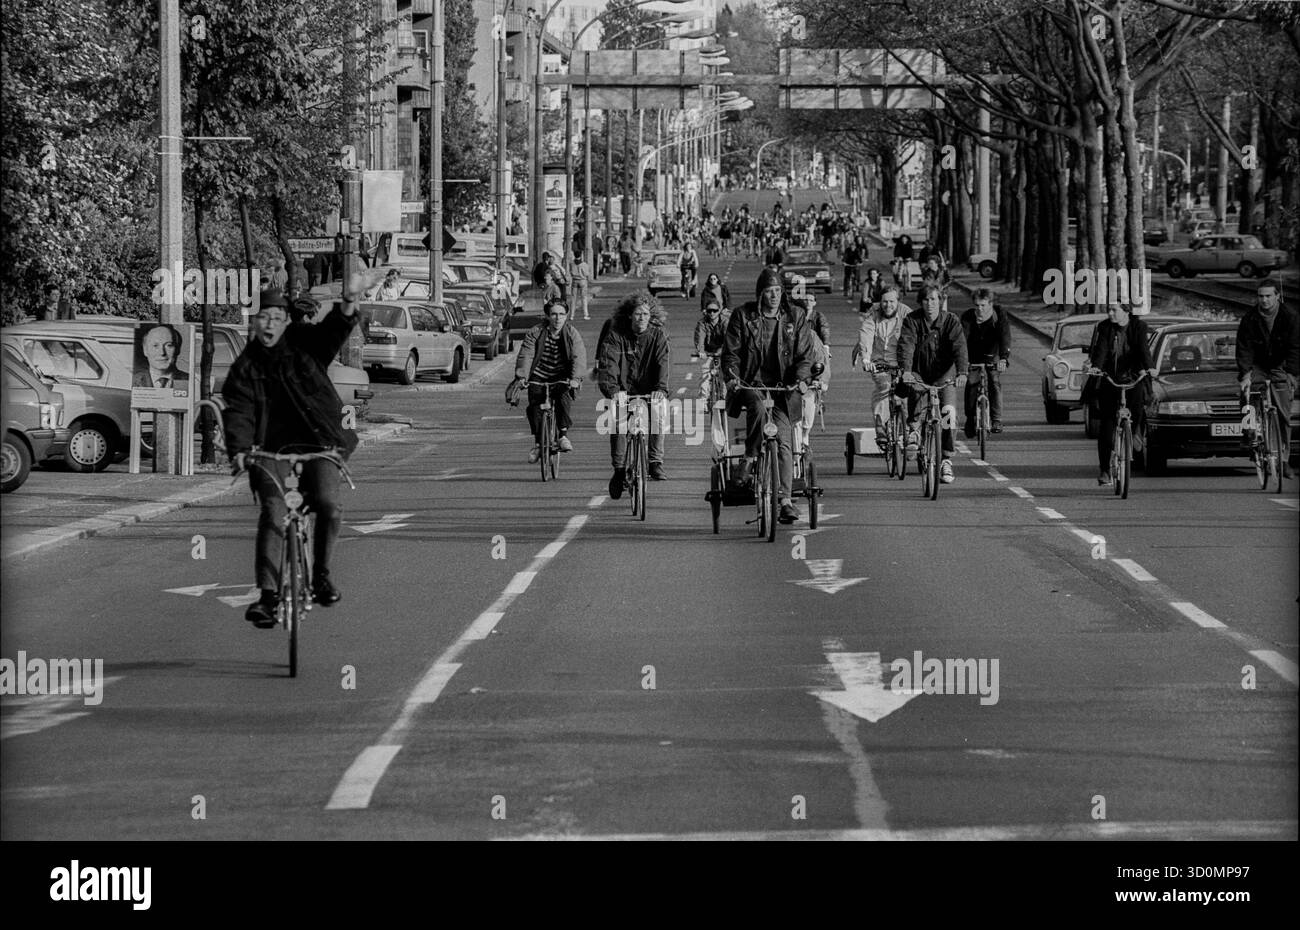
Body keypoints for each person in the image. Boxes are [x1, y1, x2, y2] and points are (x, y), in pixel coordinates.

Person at [224, 285, 365, 626]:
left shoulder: (305, 343)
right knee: (273, 512)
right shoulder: (245, 367)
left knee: (328, 504)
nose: (270, 324)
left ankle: (320, 577)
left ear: (287, 321)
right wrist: (241, 451)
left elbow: (333, 333)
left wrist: (347, 303)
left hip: (320, 443)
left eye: (276, 317)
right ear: (253, 324)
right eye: (263, 317)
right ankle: (268, 597)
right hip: (267, 450)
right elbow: (238, 412)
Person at [722, 266, 815, 525]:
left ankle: (785, 501)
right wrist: (732, 378)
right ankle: (750, 457)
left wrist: (799, 380)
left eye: (777, 291)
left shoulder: (795, 316)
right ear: (760, 293)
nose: (773, 296)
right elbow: (731, 353)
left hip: (784, 390)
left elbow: (805, 356)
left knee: (784, 442)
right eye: (768, 291)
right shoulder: (743, 316)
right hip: (750, 385)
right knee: (760, 409)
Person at [596, 294, 671, 492]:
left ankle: (655, 462)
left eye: (645, 314)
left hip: (650, 390)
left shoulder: (658, 336)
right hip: (623, 390)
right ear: (629, 315)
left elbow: (662, 363)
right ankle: (619, 470)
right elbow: (608, 364)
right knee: (618, 420)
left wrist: (660, 389)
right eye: (638, 314)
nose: (642, 318)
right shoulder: (615, 335)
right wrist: (613, 391)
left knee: (659, 413)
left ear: (651, 315)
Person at [899, 283, 968, 485]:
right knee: (917, 407)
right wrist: (906, 371)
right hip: (919, 374)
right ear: (920, 302)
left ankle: (946, 459)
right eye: (926, 300)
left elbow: (960, 347)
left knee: (948, 413)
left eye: (934, 299)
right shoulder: (912, 320)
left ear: (941, 301)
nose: (930, 304)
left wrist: (962, 372)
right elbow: (906, 345)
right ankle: (914, 434)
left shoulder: (951, 321)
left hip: (944, 376)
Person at [1086, 303, 1157, 487]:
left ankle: (1133, 434)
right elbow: (1101, 349)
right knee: (1107, 426)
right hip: (1111, 377)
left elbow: (1143, 349)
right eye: (1108, 310)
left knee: (1138, 406)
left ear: (1126, 311)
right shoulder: (1104, 327)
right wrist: (1097, 368)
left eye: (1114, 310)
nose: (1110, 313)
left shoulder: (1138, 326)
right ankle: (1105, 470)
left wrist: (1149, 367)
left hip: (1133, 375)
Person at [1236, 277, 1299, 479]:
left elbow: (1295, 347)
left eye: (1268, 296)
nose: (1264, 300)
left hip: (1281, 365)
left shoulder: (1290, 316)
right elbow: (1243, 347)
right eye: (1261, 296)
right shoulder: (1250, 318)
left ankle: (1284, 461)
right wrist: (1245, 374)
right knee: (1247, 397)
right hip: (1258, 365)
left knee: (1283, 413)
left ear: (1277, 297)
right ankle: (1250, 436)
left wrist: (1291, 373)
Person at [512, 299, 586, 464]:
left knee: (563, 399)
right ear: (547, 316)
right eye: (553, 314)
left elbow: (578, 356)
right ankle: (538, 443)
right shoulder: (536, 332)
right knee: (535, 405)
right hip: (539, 374)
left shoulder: (571, 333)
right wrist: (522, 377)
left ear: (566, 316)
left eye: (561, 314)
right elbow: (526, 354)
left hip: (562, 375)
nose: (557, 318)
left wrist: (575, 379)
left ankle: (563, 435)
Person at [854, 286, 910, 438]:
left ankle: (912, 430)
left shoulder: (907, 314)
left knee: (910, 392)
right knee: (884, 386)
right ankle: (880, 423)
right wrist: (866, 359)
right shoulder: (874, 314)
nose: (888, 305)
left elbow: (915, 335)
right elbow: (866, 334)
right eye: (884, 302)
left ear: (898, 301)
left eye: (892, 301)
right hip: (880, 363)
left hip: (903, 363)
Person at [960, 287, 1011, 435]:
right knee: (971, 384)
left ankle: (996, 419)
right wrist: (963, 362)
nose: (980, 309)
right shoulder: (968, 317)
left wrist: (1003, 358)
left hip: (992, 355)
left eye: (983, 305)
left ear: (990, 304)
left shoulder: (999, 315)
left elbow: (1005, 336)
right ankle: (970, 419)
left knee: (994, 381)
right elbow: (962, 340)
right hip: (973, 357)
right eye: (977, 305)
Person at [133, 324, 190, 388]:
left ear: (178, 349)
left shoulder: (190, 381)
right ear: (145, 350)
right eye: (155, 346)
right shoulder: (132, 381)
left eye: (169, 345)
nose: (162, 353)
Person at [570, 252, 591, 320]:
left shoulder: (572, 263)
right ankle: (585, 314)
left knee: (573, 298)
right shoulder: (584, 264)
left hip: (574, 281)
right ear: (581, 255)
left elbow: (570, 272)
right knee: (584, 298)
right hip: (582, 281)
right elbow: (587, 273)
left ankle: (571, 315)